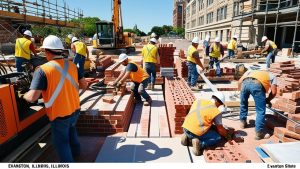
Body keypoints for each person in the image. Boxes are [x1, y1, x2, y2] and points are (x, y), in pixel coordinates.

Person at [23, 35, 88, 162]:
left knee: (62, 143)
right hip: (75, 110)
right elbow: (84, 85)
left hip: (59, 114)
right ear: (60, 50)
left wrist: (23, 94)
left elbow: (32, 97)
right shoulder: (72, 65)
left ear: (47, 51)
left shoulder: (43, 70)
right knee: (72, 132)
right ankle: (77, 154)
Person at [238, 69, 277, 140]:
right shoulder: (272, 76)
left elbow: (240, 81)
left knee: (243, 103)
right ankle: (259, 134)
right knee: (260, 110)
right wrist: (267, 100)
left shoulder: (251, 71)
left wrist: (241, 92)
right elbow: (274, 92)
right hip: (257, 85)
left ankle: (242, 123)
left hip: (244, 83)